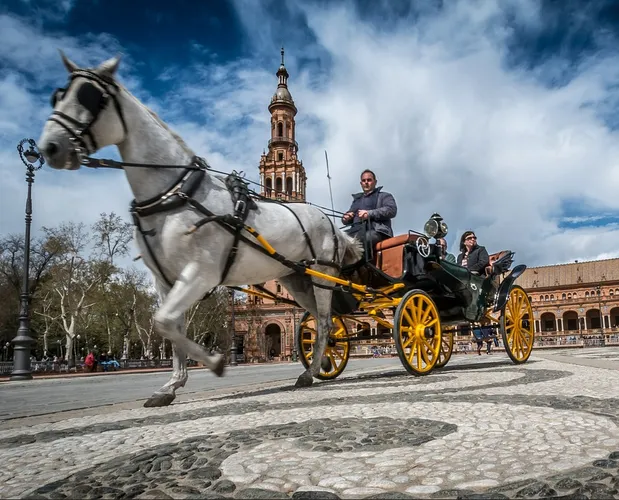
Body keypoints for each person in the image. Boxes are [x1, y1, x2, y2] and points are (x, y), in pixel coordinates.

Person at [342, 169, 397, 250]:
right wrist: (346, 218)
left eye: (369, 180)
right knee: (338, 240)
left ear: (375, 182)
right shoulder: (357, 200)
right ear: (361, 183)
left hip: (377, 232)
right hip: (356, 231)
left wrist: (369, 213)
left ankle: (360, 262)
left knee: (362, 239)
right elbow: (347, 218)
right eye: (364, 180)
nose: (366, 182)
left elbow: (391, 210)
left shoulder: (384, 196)